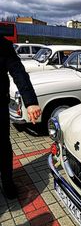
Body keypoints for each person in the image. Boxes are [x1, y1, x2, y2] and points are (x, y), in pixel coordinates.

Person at [0, 35, 41, 199]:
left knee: (2, 148)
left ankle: (8, 183)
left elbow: (19, 73)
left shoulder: (2, 45)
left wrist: (30, 102)